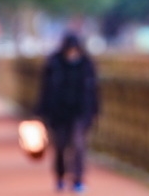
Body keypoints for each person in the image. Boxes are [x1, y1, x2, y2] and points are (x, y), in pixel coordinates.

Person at [34, 32, 100, 193]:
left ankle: (78, 178)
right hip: (58, 112)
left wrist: (95, 110)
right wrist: (40, 110)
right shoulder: (54, 63)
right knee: (60, 146)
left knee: (78, 144)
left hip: (80, 111)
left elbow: (94, 90)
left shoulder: (86, 64)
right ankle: (60, 176)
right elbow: (45, 89)